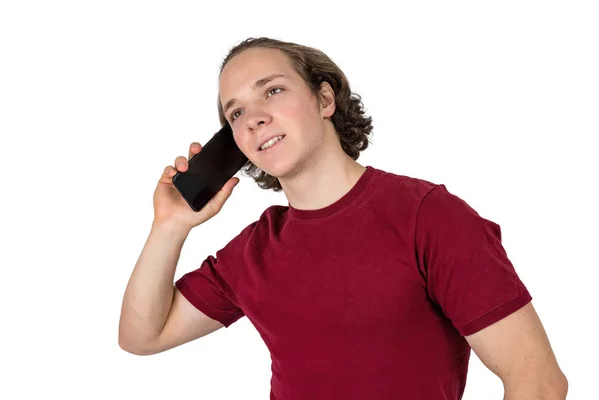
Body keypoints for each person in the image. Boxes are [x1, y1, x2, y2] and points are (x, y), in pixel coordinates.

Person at [119, 37, 568, 399]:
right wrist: (170, 225)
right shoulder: (254, 250)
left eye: (272, 91)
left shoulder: (428, 217)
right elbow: (143, 336)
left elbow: (539, 384)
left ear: (325, 98)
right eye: (235, 112)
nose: (253, 118)